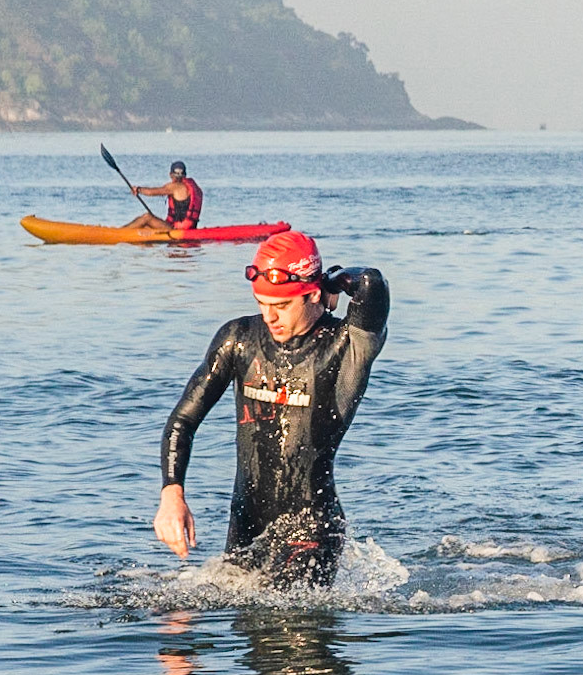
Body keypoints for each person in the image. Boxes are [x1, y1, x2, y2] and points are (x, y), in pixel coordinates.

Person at [153, 231, 389, 587]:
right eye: (262, 304)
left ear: (312, 295)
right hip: (246, 523)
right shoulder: (238, 338)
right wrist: (172, 494)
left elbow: (370, 282)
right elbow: (183, 420)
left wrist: (331, 283)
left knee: (286, 625)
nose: (269, 317)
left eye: (280, 307)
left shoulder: (347, 347)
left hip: (311, 530)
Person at [125, 160, 202, 230]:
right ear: (185, 175)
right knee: (147, 227)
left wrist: (138, 189)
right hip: (188, 228)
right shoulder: (194, 187)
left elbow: (153, 192)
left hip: (176, 229)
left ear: (171, 175)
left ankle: (118, 233)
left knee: (147, 217)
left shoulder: (174, 187)